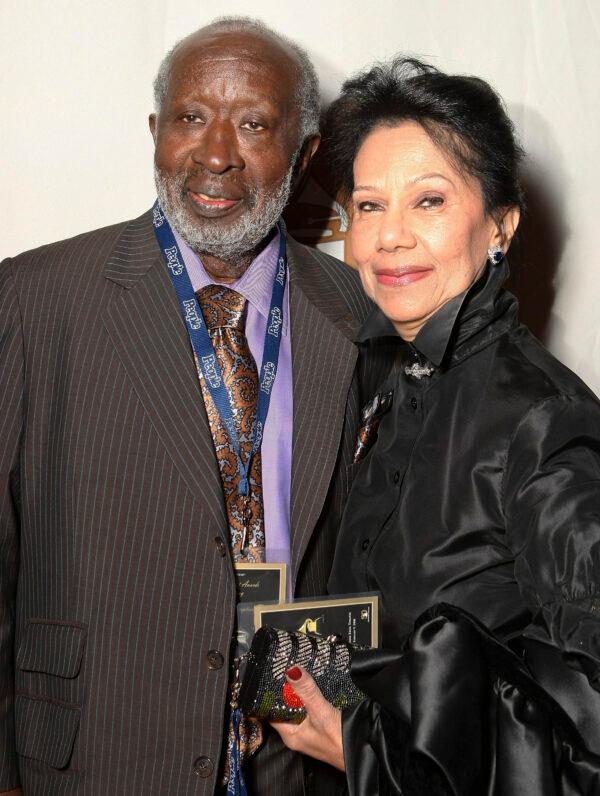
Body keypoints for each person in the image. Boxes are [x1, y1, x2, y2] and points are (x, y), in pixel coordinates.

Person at [0, 17, 392, 795]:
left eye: (253, 124)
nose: (216, 154)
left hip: (292, 757)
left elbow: (360, 549)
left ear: (306, 152)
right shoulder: (35, 299)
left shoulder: (357, 311)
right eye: (190, 118)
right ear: (155, 132)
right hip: (86, 756)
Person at [273, 57, 600, 794]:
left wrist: (356, 745)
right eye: (368, 205)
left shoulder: (543, 423)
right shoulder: (395, 375)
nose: (387, 238)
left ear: (501, 225)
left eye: (428, 202)